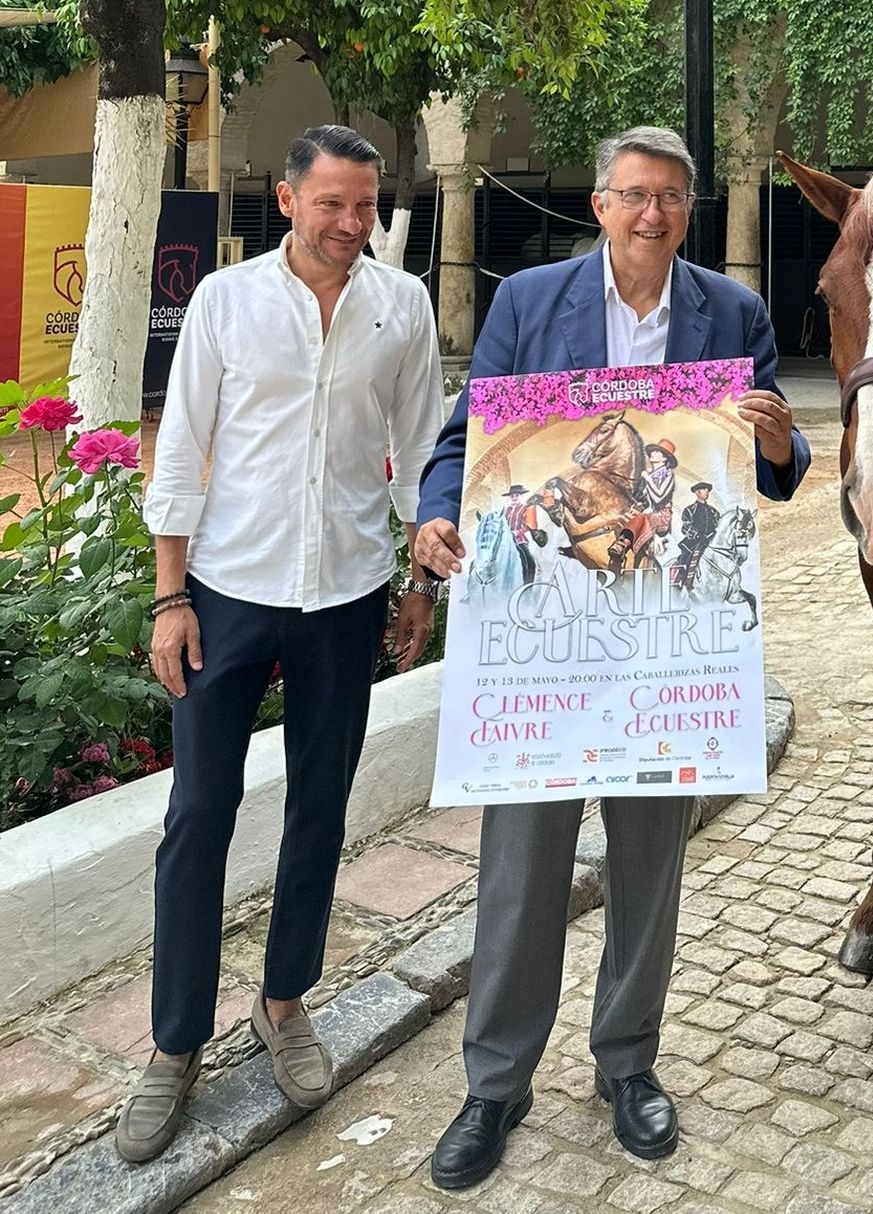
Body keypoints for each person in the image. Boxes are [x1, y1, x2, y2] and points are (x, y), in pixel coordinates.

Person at [412, 125, 812, 1188]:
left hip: (665, 643)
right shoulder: (525, 302)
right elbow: (469, 441)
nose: (652, 214)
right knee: (520, 870)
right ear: (598, 203)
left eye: (671, 198)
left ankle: (627, 1064)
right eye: (634, 195)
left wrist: (776, 441)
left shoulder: (732, 314)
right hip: (544, 639)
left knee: (649, 864)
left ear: (688, 208)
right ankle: (494, 1083)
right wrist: (432, 515)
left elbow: (774, 471)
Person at [122, 125, 444, 1163]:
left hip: (346, 594)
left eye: (365, 206)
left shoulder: (403, 306)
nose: (350, 225)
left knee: (319, 807)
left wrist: (419, 578)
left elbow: (418, 454)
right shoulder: (226, 300)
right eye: (330, 205)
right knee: (198, 816)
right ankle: (174, 1044)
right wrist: (171, 599)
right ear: (286, 195)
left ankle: (284, 999)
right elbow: (181, 449)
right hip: (227, 591)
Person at [609, 438, 677, 570]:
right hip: (647, 512)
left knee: (640, 518)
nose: (652, 453)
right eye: (653, 451)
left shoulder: (668, 475)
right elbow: (642, 499)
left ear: (664, 458)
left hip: (661, 515)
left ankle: (623, 544)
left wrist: (648, 479)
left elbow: (658, 498)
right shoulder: (649, 474)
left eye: (657, 452)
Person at [676, 481, 720, 589]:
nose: (706, 492)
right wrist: (697, 536)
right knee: (686, 558)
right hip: (693, 542)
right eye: (704, 490)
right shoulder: (690, 510)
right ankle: (683, 582)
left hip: (710, 541)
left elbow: (719, 525)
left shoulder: (713, 511)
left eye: (707, 490)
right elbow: (685, 527)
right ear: (697, 492)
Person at [500, 484, 546, 579]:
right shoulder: (506, 509)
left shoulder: (526, 508)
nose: (514, 498)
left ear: (521, 496)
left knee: (530, 562)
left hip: (519, 540)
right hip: (505, 539)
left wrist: (516, 533)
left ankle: (527, 585)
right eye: (512, 496)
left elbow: (528, 526)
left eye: (516, 495)